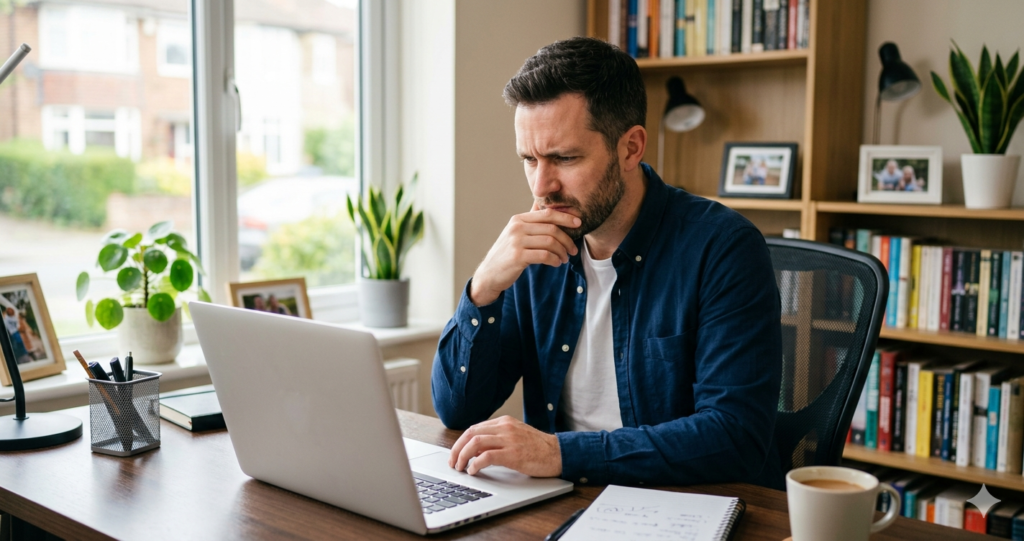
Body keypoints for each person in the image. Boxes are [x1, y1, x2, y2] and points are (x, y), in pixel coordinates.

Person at [432, 37, 783, 489]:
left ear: (631, 148)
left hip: (684, 505)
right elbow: (457, 410)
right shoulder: (536, 249)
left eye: (564, 157)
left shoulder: (724, 248)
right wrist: (483, 288)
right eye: (529, 159)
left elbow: (735, 436)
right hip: (564, 496)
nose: (542, 186)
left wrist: (557, 452)